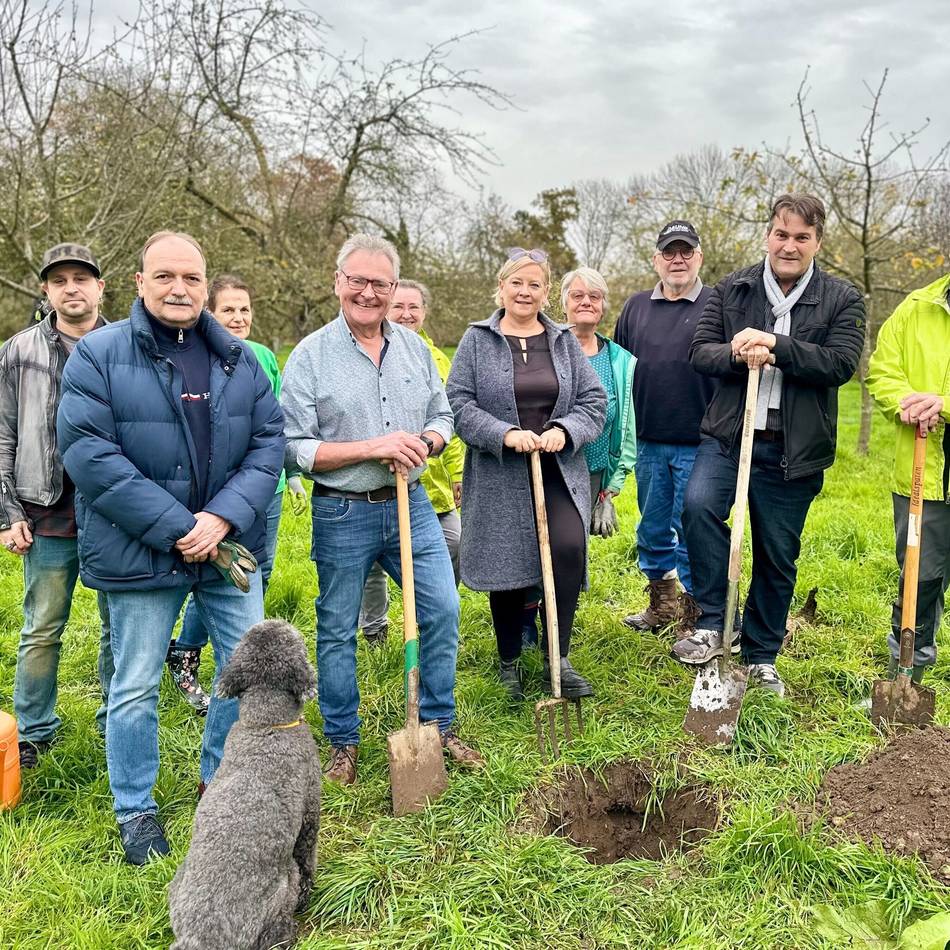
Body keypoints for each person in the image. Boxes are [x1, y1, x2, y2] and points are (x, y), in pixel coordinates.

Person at [57, 231, 285, 864]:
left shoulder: (238, 358)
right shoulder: (98, 356)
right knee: (134, 683)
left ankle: (219, 784)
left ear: (206, 285)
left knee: (242, 675)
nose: (179, 288)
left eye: (191, 277)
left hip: (227, 545)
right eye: (164, 277)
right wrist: (181, 528)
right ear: (138, 283)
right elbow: (91, 456)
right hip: (143, 550)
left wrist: (220, 520)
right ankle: (136, 809)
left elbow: (269, 445)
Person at [280, 233, 482, 787]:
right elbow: (291, 447)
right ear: (338, 283)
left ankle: (438, 724)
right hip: (342, 510)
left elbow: (443, 415)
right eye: (359, 281)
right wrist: (372, 446)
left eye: (381, 283)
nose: (369, 292)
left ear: (394, 289)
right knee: (338, 627)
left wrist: (430, 443)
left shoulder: (415, 349)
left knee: (442, 608)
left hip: (411, 504)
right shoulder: (309, 356)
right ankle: (343, 741)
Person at [672, 195, 865, 697]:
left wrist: (778, 346)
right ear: (768, 237)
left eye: (802, 237)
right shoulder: (731, 289)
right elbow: (700, 352)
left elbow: (840, 364)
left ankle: (761, 655)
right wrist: (738, 351)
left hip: (792, 447)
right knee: (697, 508)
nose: (790, 245)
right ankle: (716, 620)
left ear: (817, 242)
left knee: (778, 554)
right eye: (782, 234)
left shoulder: (842, 298)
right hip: (730, 435)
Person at [446, 248, 606, 701]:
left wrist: (565, 429)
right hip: (501, 475)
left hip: (558, 469)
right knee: (510, 565)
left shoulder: (562, 341)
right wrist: (503, 434)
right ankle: (509, 659)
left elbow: (594, 401)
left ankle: (559, 655)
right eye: (517, 282)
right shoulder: (477, 340)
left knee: (569, 550)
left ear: (546, 293)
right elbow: (457, 403)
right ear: (501, 287)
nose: (525, 291)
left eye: (534, 284)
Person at [166, 274, 307, 713]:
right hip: (221, 497)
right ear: (210, 311)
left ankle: (246, 660)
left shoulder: (263, 356)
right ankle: (187, 651)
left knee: (255, 572)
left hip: (269, 489)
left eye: (245, 309)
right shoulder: (200, 357)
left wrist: (294, 474)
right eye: (228, 309)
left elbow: (276, 425)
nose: (238, 317)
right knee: (222, 574)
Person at [0, 242, 113, 769]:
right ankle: (34, 731)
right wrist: (8, 513)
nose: (72, 288)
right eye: (60, 280)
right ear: (46, 290)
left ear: (100, 287)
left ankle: (118, 718)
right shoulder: (19, 351)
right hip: (43, 508)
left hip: (116, 513)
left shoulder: (124, 345)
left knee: (121, 625)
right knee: (42, 625)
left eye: (81, 278)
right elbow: (2, 433)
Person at [613, 220, 714, 635]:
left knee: (691, 528)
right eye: (669, 252)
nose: (677, 259)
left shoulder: (716, 303)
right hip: (648, 441)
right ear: (656, 259)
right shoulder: (636, 307)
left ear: (698, 257)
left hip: (700, 442)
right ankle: (663, 603)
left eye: (685, 251)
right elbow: (621, 369)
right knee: (652, 527)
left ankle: (697, 614)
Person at [358, 279, 465, 648]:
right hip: (375, 481)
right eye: (398, 306)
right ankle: (374, 628)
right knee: (372, 566)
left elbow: (447, 419)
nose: (406, 314)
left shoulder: (437, 359)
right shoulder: (368, 352)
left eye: (413, 308)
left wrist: (458, 473)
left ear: (424, 313)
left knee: (454, 543)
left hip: (430, 484)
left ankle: (434, 614)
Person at [866, 272, 950, 684]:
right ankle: (907, 676)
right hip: (924, 476)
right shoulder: (916, 307)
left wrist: (944, 404)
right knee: (920, 581)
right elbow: (882, 371)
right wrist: (906, 402)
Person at [562, 266, 637, 515]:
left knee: (578, 548)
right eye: (577, 296)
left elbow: (626, 426)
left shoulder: (619, 360)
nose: (586, 302)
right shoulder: (548, 350)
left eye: (594, 297)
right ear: (564, 303)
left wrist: (612, 486)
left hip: (594, 474)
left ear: (602, 306)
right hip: (553, 471)